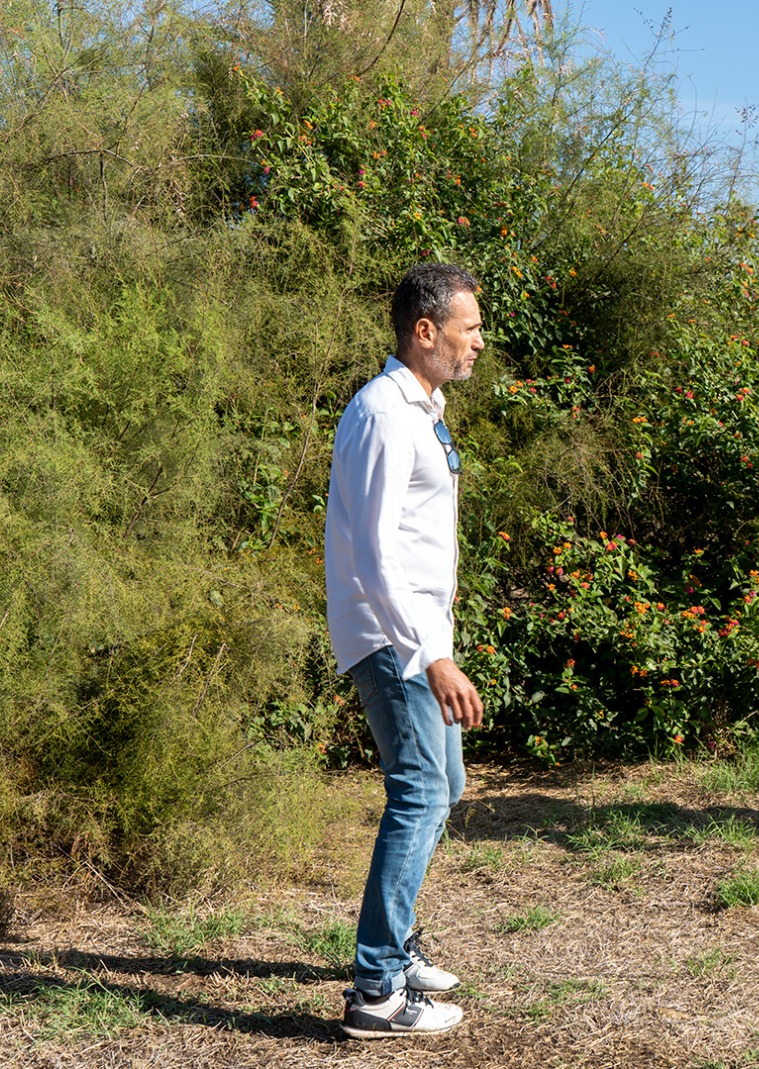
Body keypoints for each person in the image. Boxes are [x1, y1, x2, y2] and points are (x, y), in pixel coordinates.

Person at [324, 262, 486, 1037]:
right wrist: (432, 654)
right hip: (393, 638)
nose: (478, 341)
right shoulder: (384, 412)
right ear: (425, 332)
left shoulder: (423, 408)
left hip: (416, 636)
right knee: (420, 792)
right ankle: (376, 991)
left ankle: (396, 944)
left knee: (443, 782)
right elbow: (374, 555)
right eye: (469, 328)